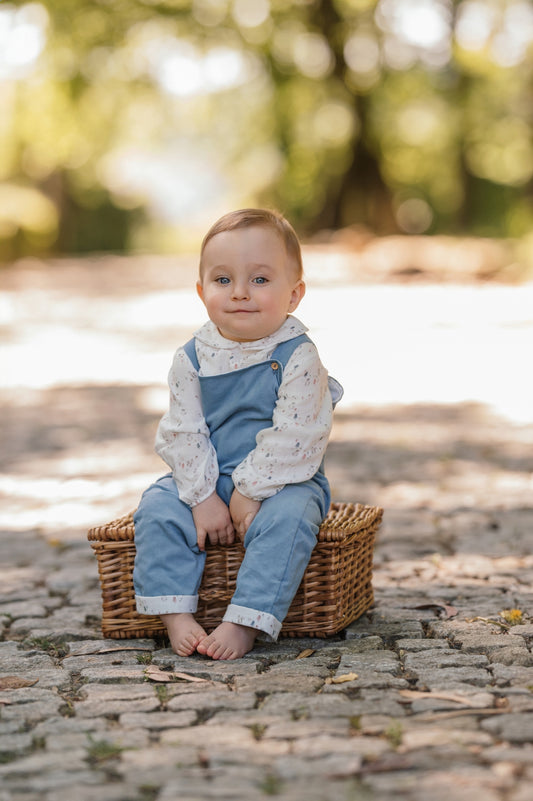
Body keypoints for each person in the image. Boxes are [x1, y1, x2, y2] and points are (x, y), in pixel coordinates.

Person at [133, 208, 342, 660]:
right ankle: (175, 612)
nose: (241, 293)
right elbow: (183, 431)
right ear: (200, 291)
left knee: (290, 518)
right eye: (223, 280)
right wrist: (202, 496)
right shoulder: (192, 356)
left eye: (261, 280)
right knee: (156, 505)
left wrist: (248, 491)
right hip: (207, 475)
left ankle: (244, 618)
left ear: (294, 294)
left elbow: (297, 434)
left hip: (283, 479)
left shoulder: (298, 356)